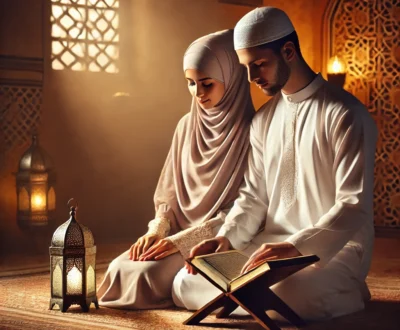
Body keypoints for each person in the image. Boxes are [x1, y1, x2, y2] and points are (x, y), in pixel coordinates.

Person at [172, 7, 377, 321]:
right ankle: (253, 297)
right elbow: (254, 197)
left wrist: (296, 246)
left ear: (288, 51)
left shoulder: (346, 114)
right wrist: (225, 239)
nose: (253, 78)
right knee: (186, 282)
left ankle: (347, 288)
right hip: (267, 248)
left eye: (260, 65)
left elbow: (353, 204)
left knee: (296, 292)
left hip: (330, 250)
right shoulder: (264, 120)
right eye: (247, 67)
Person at [97, 29, 254, 309]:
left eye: (207, 84)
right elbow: (167, 195)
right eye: (191, 84)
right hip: (174, 233)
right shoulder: (186, 125)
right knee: (120, 268)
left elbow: (246, 208)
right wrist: (157, 231)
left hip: (220, 238)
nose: (199, 93)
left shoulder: (254, 132)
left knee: (145, 275)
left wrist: (182, 242)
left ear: (231, 80)